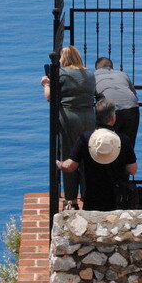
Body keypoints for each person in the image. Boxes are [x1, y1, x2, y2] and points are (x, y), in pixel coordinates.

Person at [57, 100, 138, 211]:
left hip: (92, 197)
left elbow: (70, 166)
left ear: (96, 118)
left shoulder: (85, 138)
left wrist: (59, 164)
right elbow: (132, 170)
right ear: (113, 119)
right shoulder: (123, 140)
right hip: (118, 199)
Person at [41, 45, 96, 208]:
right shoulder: (89, 74)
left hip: (69, 117)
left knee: (70, 155)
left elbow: (50, 97)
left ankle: (71, 200)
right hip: (89, 116)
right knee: (87, 157)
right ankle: (88, 197)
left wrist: (46, 83)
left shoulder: (61, 73)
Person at [94, 57, 140, 154]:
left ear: (97, 68)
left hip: (110, 110)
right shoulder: (123, 74)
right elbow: (134, 94)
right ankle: (128, 166)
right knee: (128, 145)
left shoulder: (93, 76)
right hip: (132, 108)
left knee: (108, 145)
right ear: (111, 67)